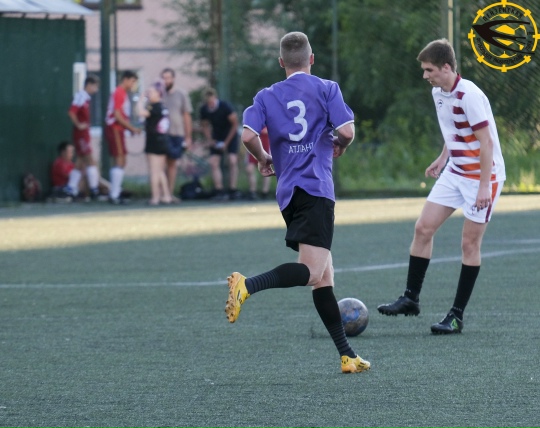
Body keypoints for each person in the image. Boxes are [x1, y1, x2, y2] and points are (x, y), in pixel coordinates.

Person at [224, 31, 370, 374]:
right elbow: (347, 131)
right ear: (311, 59)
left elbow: (247, 135)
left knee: (324, 278)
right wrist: (341, 144)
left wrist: (264, 157)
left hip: (288, 193)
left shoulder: (266, 95)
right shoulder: (327, 88)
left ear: (281, 63)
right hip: (316, 190)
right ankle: (247, 285)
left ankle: (347, 356)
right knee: (312, 272)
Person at [377, 39, 506, 334]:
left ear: (446, 67)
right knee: (423, 228)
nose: (425, 75)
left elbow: (486, 142)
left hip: (482, 178)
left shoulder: (469, 95)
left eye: (429, 70)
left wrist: (484, 187)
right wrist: (443, 157)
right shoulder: (438, 92)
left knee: (469, 244)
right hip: (455, 172)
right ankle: (410, 299)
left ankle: (456, 316)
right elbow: (454, 130)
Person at [105, 70, 141, 204]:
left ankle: (115, 191)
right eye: (132, 81)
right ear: (125, 79)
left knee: (121, 160)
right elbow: (117, 115)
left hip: (119, 129)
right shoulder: (119, 92)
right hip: (114, 128)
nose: (133, 85)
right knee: (119, 159)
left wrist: (128, 128)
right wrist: (132, 128)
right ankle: (114, 194)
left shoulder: (123, 93)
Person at [199, 87, 240, 201]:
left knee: (232, 160)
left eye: (211, 102)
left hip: (230, 135)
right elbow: (204, 125)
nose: (210, 104)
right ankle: (219, 190)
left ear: (215, 98)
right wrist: (210, 139)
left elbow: (235, 124)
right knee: (213, 162)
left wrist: (226, 143)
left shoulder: (225, 106)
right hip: (217, 136)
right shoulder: (204, 109)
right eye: (208, 103)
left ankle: (233, 189)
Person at [136, 82, 173, 205]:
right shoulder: (163, 107)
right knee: (160, 171)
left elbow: (140, 112)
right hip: (163, 141)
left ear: (158, 93)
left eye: (151, 92)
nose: (149, 94)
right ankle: (166, 195)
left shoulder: (154, 107)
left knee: (154, 171)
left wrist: (141, 99)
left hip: (154, 141)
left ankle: (155, 197)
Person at [65, 75, 100, 199]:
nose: (96, 90)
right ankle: (94, 189)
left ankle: (70, 188)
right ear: (89, 85)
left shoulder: (86, 98)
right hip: (81, 135)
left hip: (84, 134)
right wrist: (79, 125)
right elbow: (71, 112)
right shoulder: (80, 96)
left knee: (80, 161)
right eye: (95, 86)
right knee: (90, 160)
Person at [161, 68, 193, 200]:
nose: (166, 81)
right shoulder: (159, 94)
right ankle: (161, 193)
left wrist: (188, 137)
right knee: (161, 164)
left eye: (168, 78)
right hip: (162, 135)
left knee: (172, 164)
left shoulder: (181, 94)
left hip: (176, 134)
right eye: (164, 78)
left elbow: (186, 116)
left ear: (173, 79)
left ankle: (169, 193)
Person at [245, 126, 271, 200]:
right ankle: (252, 191)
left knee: (266, 168)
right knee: (249, 169)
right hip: (253, 143)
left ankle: (265, 192)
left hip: (265, 142)